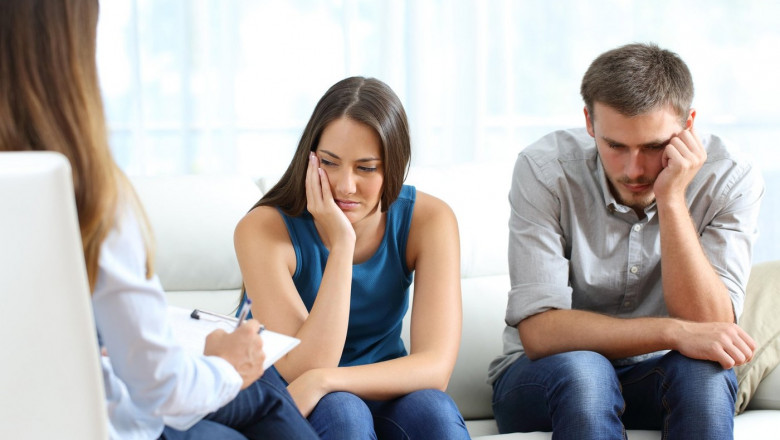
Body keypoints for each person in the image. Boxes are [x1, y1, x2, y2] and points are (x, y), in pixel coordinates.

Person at [0, 1, 319, 439]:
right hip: (101, 424)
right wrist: (228, 366)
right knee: (260, 391)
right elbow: (161, 387)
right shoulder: (88, 196)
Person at [488, 43, 764, 439]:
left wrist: (670, 198)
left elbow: (709, 326)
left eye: (654, 147)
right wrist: (672, 332)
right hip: (549, 377)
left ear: (689, 126)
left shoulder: (730, 177)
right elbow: (540, 333)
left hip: (657, 375)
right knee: (587, 373)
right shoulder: (545, 170)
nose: (634, 170)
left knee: (704, 375)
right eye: (614, 145)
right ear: (589, 122)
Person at [234, 76, 470, 439]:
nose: (345, 186)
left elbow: (435, 368)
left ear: (394, 166)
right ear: (309, 158)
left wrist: (325, 380)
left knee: (435, 412)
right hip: (294, 395)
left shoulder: (429, 220)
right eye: (329, 163)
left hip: (372, 385)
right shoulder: (261, 230)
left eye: (366, 168)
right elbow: (303, 367)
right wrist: (342, 244)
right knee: (344, 411)